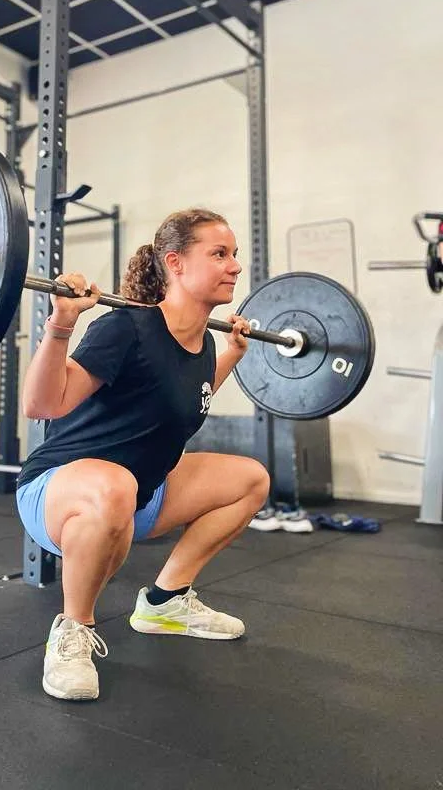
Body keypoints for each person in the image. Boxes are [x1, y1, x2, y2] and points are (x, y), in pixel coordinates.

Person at [16, 208, 270, 701]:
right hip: (59, 492)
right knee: (115, 485)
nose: (235, 266)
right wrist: (61, 325)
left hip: (138, 494)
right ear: (175, 263)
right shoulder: (127, 328)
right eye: (219, 254)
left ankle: (165, 602)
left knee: (250, 479)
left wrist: (232, 355)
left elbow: (183, 398)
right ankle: (72, 630)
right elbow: (41, 405)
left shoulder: (197, 345)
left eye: (234, 254)